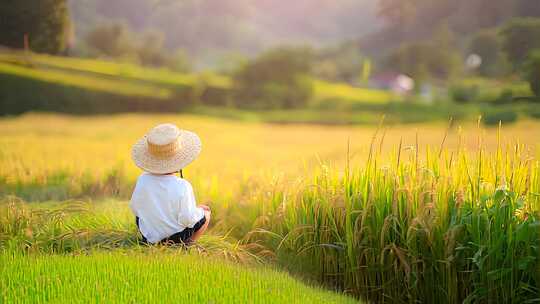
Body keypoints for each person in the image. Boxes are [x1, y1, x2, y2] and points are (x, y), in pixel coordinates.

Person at [129, 123, 211, 245]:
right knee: (206, 213)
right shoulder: (183, 186)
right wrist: (199, 211)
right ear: (179, 160)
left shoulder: (143, 180)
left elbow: (135, 208)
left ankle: (153, 241)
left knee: (143, 215)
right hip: (175, 238)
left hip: (149, 237)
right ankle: (187, 245)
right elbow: (187, 219)